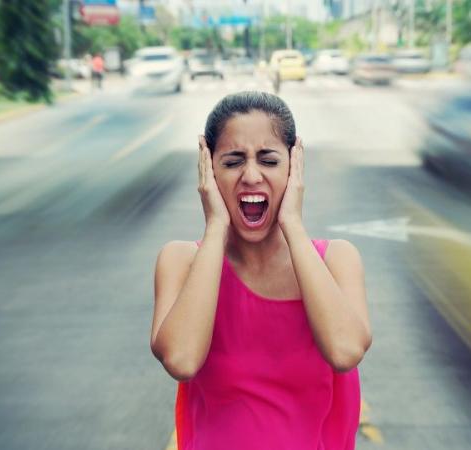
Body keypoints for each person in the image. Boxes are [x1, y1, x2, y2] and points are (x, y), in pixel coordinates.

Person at [151, 91, 371, 450]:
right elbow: (182, 359)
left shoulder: (337, 260)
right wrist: (216, 227)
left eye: (268, 160)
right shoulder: (181, 261)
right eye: (232, 161)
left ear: (294, 166)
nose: (251, 175)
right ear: (207, 169)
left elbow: (345, 351)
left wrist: (293, 226)